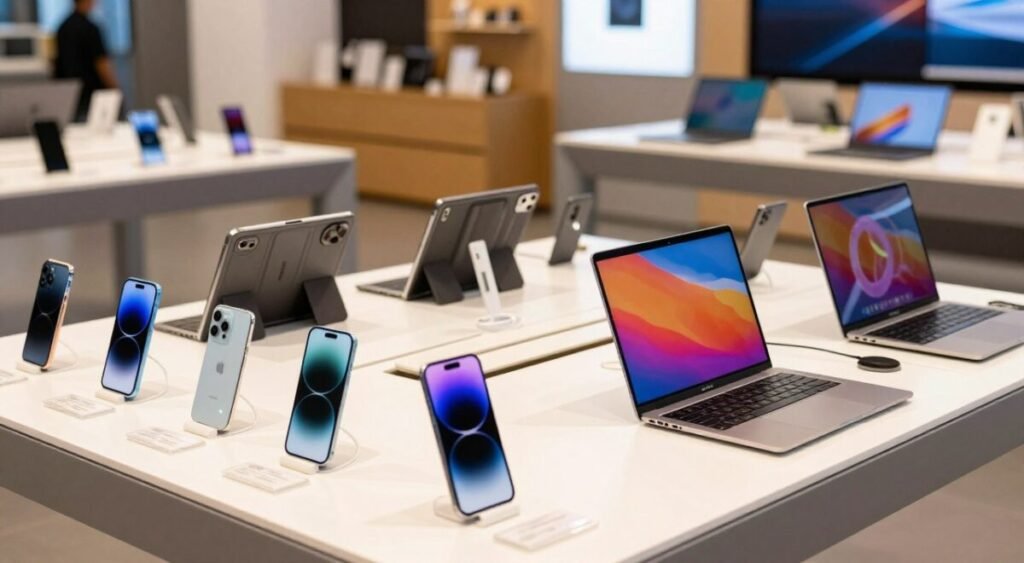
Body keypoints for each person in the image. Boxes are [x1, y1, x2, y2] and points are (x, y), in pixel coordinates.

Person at [53, 0, 118, 121]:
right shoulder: (91, 28)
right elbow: (101, 63)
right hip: (91, 91)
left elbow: (55, 62)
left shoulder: (62, 27)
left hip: (68, 91)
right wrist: (114, 87)